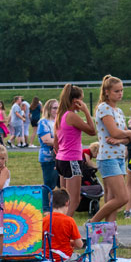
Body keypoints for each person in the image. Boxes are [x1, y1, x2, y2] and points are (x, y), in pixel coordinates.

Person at [90, 75, 131, 223]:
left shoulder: (119, 111)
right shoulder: (104, 108)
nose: (120, 93)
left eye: (121, 90)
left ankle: (110, 237)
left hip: (120, 157)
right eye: (116, 91)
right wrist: (128, 133)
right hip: (108, 158)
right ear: (107, 92)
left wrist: (122, 138)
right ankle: (93, 222)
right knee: (123, 198)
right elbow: (115, 132)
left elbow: (128, 140)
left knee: (113, 200)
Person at [54, 84, 97, 215]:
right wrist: (86, 111)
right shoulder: (71, 116)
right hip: (72, 160)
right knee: (74, 200)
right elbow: (92, 131)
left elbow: (56, 144)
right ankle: (66, 227)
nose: (82, 102)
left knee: (63, 199)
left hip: (61, 159)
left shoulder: (59, 115)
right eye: (81, 100)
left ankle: (61, 227)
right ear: (75, 101)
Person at [44, 189, 83, 262]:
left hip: (46, 258)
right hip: (65, 258)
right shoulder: (69, 221)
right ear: (67, 203)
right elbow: (79, 245)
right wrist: (71, 243)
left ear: (50, 204)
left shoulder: (44, 221)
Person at [37, 99, 60, 191]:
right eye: (54, 108)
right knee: (49, 186)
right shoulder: (43, 122)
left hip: (59, 157)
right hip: (48, 158)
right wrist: (63, 142)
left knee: (60, 185)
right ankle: (46, 205)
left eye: (58, 108)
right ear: (48, 109)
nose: (57, 110)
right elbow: (46, 140)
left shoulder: (58, 122)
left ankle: (58, 205)